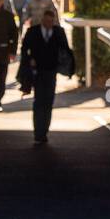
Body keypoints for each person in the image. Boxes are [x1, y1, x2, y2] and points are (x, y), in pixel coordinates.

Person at [20, 7, 72, 144]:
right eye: (47, 21)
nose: (49, 23)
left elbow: (65, 50)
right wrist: (29, 59)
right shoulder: (33, 31)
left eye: (51, 21)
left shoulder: (58, 32)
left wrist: (68, 68)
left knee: (48, 101)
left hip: (51, 71)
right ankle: (38, 132)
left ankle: (44, 131)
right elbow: (24, 49)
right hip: (37, 71)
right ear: (42, 20)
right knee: (38, 101)